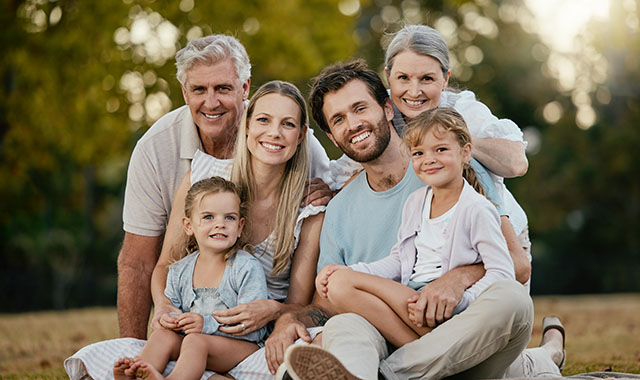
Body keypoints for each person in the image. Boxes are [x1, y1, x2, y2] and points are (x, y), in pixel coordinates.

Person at [271, 60, 559, 380]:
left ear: (387, 108)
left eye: (360, 108)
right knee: (344, 325)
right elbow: (326, 304)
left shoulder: (447, 168)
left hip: (464, 338)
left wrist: (460, 277)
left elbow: (517, 266)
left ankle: (388, 376)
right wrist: (289, 317)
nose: (353, 124)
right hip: (393, 337)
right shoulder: (339, 211)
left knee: (513, 301)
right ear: (331, 135)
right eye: (339, 119)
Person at [65, 81, 325, 380]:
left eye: (288, 124)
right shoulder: (204, 184)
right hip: (191, 331)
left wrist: (271, 310)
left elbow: (299, 303)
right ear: (247, 126)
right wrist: (163, 308)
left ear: (301, 134)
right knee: (113, 350)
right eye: (263, 120)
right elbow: (166, 264)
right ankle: (143, 373)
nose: (274, 133)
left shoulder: (309, 209)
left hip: (251, 338)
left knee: (296, 357)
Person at [117, 34, 332, 340]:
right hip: (196, 318)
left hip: (262, 327)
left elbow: (333, 199)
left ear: (244, 88)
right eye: (199, 90)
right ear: (184, 91)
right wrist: (153, 322)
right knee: (175, 347)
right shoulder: (164, 153)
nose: (211, 102)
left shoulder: (298, 146)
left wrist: (331, 196)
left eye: (222, 88)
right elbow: (139, 261)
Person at [315, 107, 516, 348]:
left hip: (447, 309)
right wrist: (357, 271)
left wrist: (463, 301)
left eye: (440, 149)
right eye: (419, 153)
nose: (429, 159)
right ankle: (423, 352)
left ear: (465, 152)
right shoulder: (416, 202)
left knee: (341, 285)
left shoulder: (477, 209)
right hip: (413, 298)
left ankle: (410, 360)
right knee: (340, 282)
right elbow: (400, 260)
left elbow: (502, 272)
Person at [114, 176, 268, 380]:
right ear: (188, 226)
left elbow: (255, 329)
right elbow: (171, 311)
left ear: (240, 227)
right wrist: (168, 321)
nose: (220, 224)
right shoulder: (179, 271)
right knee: (164, 336)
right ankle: (138, 372)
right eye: (208, 217)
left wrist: (206, 324)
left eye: (229, 218)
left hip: (241, 349)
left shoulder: (246, 268)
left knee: (196, 341)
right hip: (193, 346)